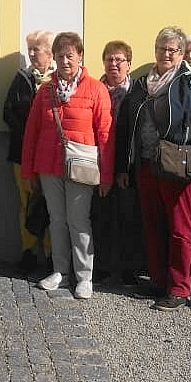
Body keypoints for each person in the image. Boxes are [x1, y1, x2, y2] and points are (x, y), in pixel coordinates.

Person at [115, 27, 191, 311]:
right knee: (152, 225)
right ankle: (159, 280)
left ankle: (179, 288)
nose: (166, 54)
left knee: (180, 230)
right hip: (145, 165)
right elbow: (125, 128)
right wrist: (123, 166)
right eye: (162, 48)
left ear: (182, 54)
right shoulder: (141, 84)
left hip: (177, 168)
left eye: (173, 49)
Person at [22, 31, 115, 300]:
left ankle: (84, 276)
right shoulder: (46, 90)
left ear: (80, 56)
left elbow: (106, 134)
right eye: (60, 56)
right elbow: (32, 132)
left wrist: (106, 174)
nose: (64, 61)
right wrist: (28, 170)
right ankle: (60, 271)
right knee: (57, 220)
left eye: (70, 55)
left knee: (79, 221)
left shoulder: (95, 89)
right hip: (49, 165)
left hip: (81, 166)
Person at [4, 30, 56, 274]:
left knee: (51, 204)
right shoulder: (22, 78)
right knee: (27, 203)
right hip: (22, 152)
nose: (32, 54)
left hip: (50, 154)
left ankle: (50, 252)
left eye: (37, 49)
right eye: (30, 49)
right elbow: (8, 112)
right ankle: (29, 251)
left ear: (50, 52)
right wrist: (28, 135)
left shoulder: (58, 80)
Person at [93, 39, 144, 285]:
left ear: (129, 64)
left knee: (127, 216)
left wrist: (125, 166)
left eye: (119, 60)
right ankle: (100, 266)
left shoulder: (138, 92)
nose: (113, 64)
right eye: (109, 59)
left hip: (126, 161)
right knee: (100, 215)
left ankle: (128, 268)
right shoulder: (94, 89)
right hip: (98, 160)